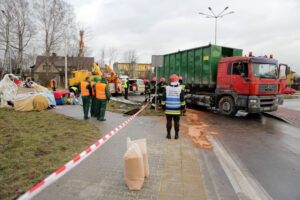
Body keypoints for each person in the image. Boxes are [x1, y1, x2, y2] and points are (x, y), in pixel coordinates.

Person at [161, 74, 185, 139]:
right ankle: (176, 135)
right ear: (177, 80)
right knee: (176, 122)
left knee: (168, 121)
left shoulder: (166, 88)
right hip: (177, 110)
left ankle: (168, 135)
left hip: (168, 109)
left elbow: (163, 99)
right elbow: (182, 100)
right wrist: (183, 108)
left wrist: (163, 107)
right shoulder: (180, 89)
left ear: (170, 81)